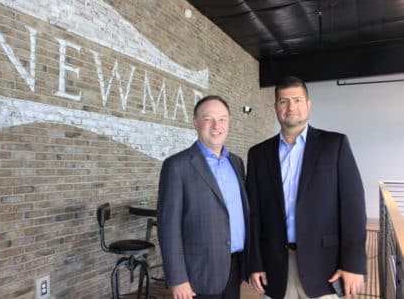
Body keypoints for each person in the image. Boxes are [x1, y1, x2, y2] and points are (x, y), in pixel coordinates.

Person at [246, 76, 367, 299]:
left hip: (324, 267)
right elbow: (252, 214)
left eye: (297, 100)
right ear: (275, 107)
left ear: (308, 105)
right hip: (275, 268)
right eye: (283, 101)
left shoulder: (335, 145)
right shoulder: (258, 154)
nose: (291, 107)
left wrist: (353, 264)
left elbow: (353, 208)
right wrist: (254, 263)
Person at [157, 95, 250, 299]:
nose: (216, 125)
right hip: (198, 273)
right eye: (208, 119)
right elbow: (168, 228)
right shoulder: (177, 166)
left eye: (223, 119)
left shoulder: (236, 163)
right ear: (196, 123)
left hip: (235, 267)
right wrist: (177, 278)